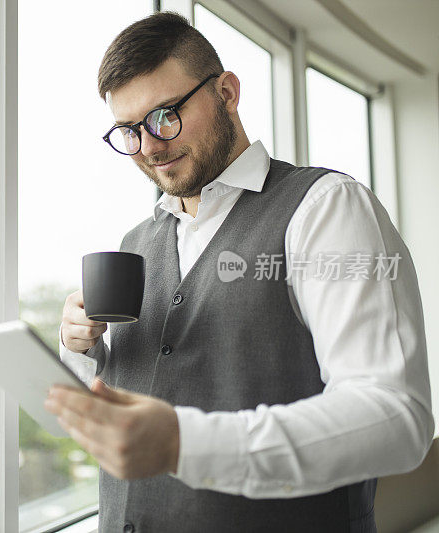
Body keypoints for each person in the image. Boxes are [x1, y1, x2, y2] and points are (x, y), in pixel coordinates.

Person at [42, 11, 434, 532]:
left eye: (164, 116)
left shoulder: (326, 208)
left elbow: (395, 420)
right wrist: (83, 355)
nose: (151, 146)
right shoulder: (135, 244)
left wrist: (184, 442)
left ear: (226, 91)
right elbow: (112, 420)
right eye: (129, 131)